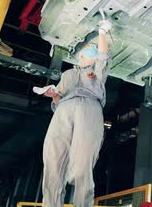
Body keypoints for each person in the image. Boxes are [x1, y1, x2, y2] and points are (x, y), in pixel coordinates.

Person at [40, 19, 113, 207]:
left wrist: (102, 32)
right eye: (86, 50)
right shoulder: (68, 74)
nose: (88, 52)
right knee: (53, 157)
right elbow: (59, 98)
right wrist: (53, 95)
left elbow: (104, 55)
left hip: (89, 107)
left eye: (92, 50)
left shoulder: (97, 71)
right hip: (63, 109)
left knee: (83, 160)